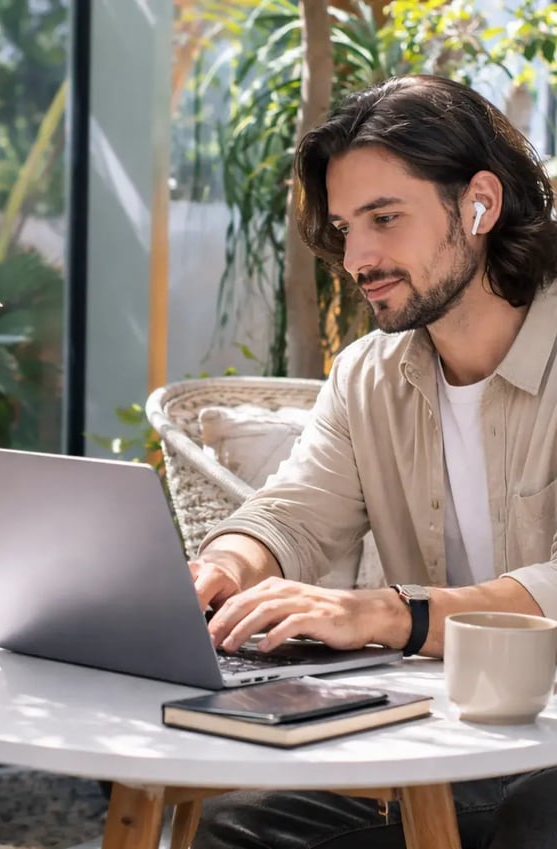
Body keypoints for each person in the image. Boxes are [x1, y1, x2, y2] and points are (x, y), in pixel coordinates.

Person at [189, 74, 557, 849]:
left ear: (480, 204)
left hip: (544, 759)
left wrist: (390, 612)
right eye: (345, 226)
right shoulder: (369, 374)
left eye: (385, 218)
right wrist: (225, 564)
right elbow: (293, 510)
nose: (357, 256)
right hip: (457, 746)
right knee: (238, 830)